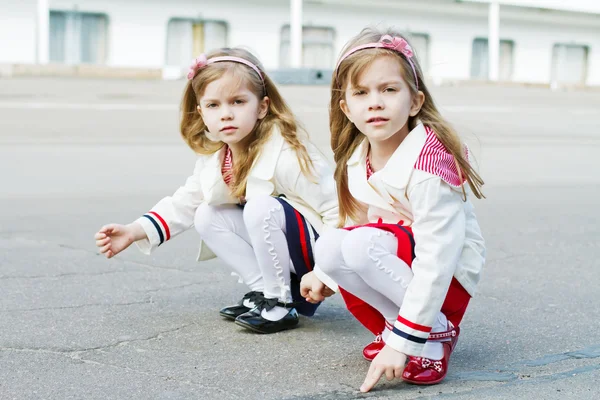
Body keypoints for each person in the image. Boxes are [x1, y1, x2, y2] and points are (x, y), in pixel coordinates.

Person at [94, 48, 338, 334]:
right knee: (207, 214)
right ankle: (264, 293)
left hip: (318, 251)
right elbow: (184, 202)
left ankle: (279, 302)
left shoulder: (287, 152)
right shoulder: (217, 161)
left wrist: (325, 273)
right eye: (213, 105)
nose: (226, 114)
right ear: (201, 112)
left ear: (262, 107)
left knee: (260, 206)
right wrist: (134, 231)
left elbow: (338, 209)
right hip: (290, 251)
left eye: (238, 101)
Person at [300, 28, 486, 390]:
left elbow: (438, 256)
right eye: (361, 92)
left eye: (389, 90)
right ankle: (400, 325)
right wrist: (323, 272)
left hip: (446, 275)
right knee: (329, 246)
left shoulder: (430, 164)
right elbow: (357, 222)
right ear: (346, 107)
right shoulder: (356, 159)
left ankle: (429, 336)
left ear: (415, 102)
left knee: (356, 245)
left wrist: (402, 346)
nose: (375, 102)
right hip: (400, 256)